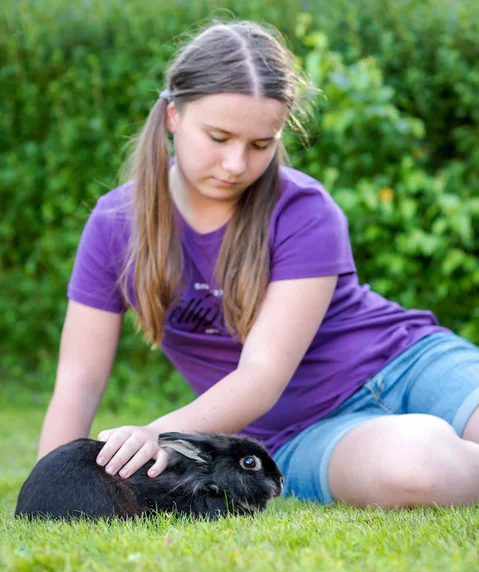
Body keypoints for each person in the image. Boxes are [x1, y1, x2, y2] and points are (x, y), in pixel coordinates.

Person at [37, 20, 479, 509]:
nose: (235, 165)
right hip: (298, 433)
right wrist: (52, 487)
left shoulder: (304, 210)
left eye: (259, 146)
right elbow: (79, 379)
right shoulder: (115, 225)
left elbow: (262, 373)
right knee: (419, 470)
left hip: (410, 364)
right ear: (173, 116)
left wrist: (158, 433)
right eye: (218, 137)